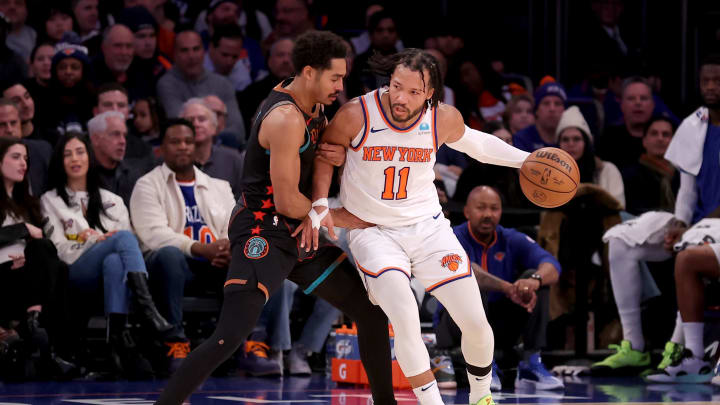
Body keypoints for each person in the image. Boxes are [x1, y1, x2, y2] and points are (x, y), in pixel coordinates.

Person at [154, 31, 397, 405]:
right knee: (229, 336)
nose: (340, 86)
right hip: (263, 229)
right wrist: (344, 218)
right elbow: (284, 201)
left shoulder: (314, 103)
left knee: (371, 312)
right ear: (308, 72)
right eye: (334, 77)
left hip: (298, 228)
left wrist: (321, 204)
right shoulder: (285, 118)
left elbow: (317, 168)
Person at [308, 48, 532, 405]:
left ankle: (481, 397)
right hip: (374, 231)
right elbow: (327, 152)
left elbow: (478, 144)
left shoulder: (441, 118)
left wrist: (527, 160)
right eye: (397, 86)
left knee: (475, 322)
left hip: (428, 228)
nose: (400, 97)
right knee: (404, 313)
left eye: (413, 92)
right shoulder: (356, 113)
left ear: (430, 92)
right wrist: (321, 201)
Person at [593, 55, 720, 379]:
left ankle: (680, 352)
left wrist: (689, 230)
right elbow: (689, 191)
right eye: (705, 80)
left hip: (713, 227)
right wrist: (679, 223)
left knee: (686, 250)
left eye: (717, 80)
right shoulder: (694, 125)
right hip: (699, 223)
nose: (710, 87)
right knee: (621, 239)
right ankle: (634, 346)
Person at [41, 132, 171, 377]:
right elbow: (59, 251)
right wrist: (94, 242)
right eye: (67, 154)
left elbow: (124, 256)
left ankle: (117, 340)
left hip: (114, 279)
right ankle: (147, 310)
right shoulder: (50, 200)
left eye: (80, 152)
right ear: (60, 161)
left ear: (89, 157)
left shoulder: (113, 200)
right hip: (76, 275)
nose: (74, 159)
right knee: (121, 238)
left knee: (114, 260)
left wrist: (105, 244)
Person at [129, 118, 235, 373]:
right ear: (161, 148)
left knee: (251, 261)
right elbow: (153, 235)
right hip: (173, 268)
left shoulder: (219, 187)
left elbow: (234, 227)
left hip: (215, 264)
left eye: (188, 141)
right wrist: (200, 248)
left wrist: (228, 249)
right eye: (175, 142)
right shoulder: (147, 185)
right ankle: (175, 343)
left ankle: (239, 344)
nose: (183, 147)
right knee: (168, 256)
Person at [434, 186, 563, 391]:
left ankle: (531, 364)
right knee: (474, 285)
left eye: (494, 208)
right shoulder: (451, 236)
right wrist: (508, 288)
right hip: (455, 325)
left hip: (499, 324)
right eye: (481, 208)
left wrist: (534, 282)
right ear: (467, 212)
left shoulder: (510, 238)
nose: (488, 214)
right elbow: (467, 270)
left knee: (534, 280)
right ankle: (484, 367)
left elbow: (552, 265)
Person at [0, 136, 76, 377]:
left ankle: (43, 335)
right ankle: (42, 335)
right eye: (15, 157)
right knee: (42, 248)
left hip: (26, 277)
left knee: (56, 264)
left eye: (25, 158)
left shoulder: (29, 205)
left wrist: (29, 259)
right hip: (2, 276)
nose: (23, 163)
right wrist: (23, 230)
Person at [156, 29, 246, 144]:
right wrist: (215, 113)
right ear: (174, 54)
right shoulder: (166, 84)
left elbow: (238, 131)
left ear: (204, 51)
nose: (191, 56)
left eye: (196, 49)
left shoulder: (223, 84)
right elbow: (182, 128)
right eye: (184, 50)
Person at [557, 106, 625, 208]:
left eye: (576, 139)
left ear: (587, 143)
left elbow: (619, 210)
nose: (570, 144)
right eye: (565, 140)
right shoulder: (550, 173)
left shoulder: (607, 170)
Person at [179, 98, 243, 199]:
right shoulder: (172, 162)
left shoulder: (233, 159)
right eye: (190, 120)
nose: (196, 124)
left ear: (214, 127)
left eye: (201, 119)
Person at [621, 117, 678, 216]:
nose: (660, 139)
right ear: (644, 141)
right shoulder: (628, 175)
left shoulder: (683, 176)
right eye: (654, 134)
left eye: (666, 134)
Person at [0, 98, 50, 196]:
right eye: (2, 124)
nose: (9, 130)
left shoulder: (43, 150)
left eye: (13, 122)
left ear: (20, 123)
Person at [513, 81, 566, 152]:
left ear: (564, 110)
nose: (552, 109)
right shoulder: (521, 139)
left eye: (557, 104)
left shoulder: (571, 139)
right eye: (546, 103)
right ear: (536, 110)